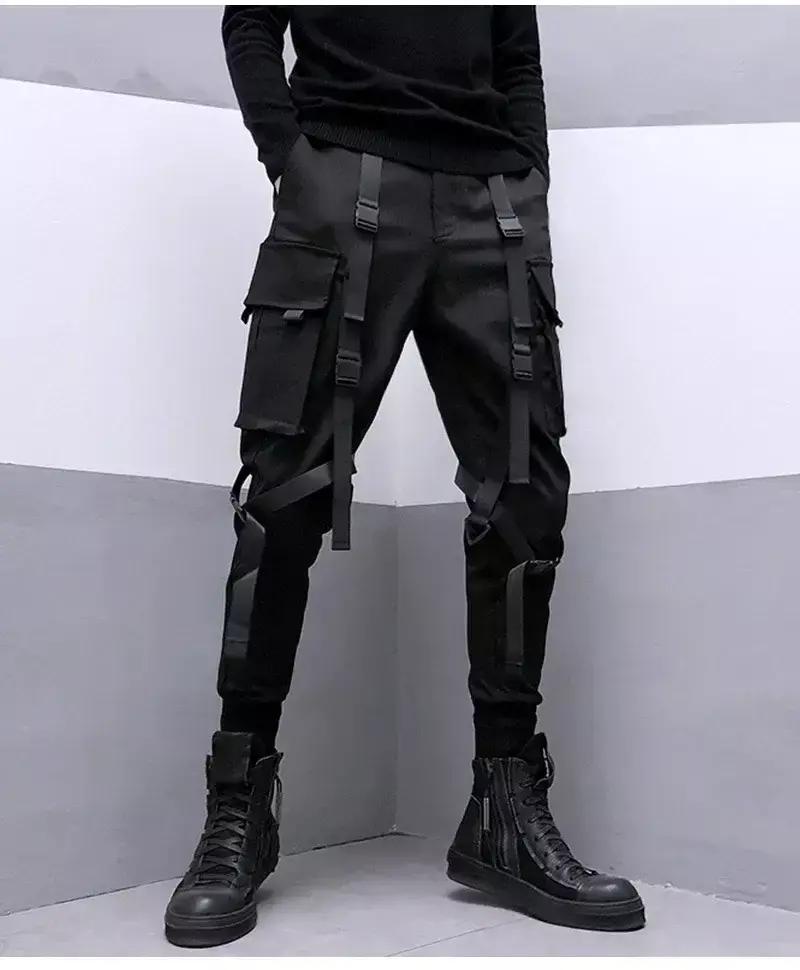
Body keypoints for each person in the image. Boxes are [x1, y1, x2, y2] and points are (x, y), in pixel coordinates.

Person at [163, 6, 645, 948]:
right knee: (284, 497)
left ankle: (505, 809)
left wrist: (529, 170)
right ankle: (237, 808)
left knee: (525, 499)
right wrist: (293, 162)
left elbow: (517, 52)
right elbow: (251, 23)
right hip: (339, 178)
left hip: (490, 202)